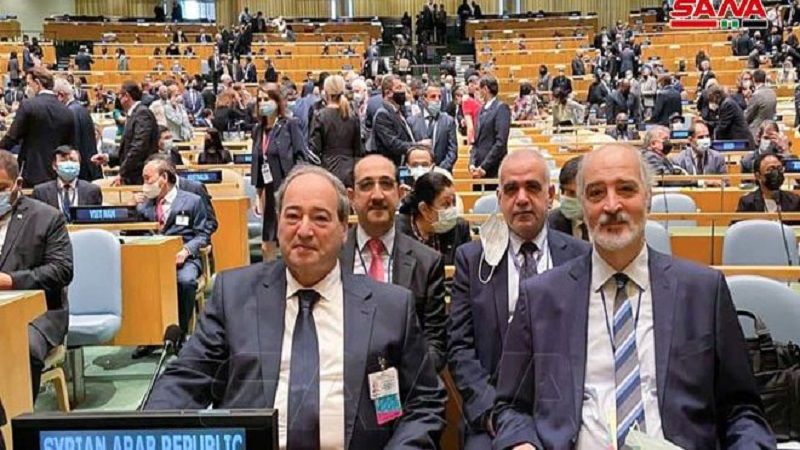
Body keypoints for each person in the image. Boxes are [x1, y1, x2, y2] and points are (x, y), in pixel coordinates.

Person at [491, 144, 775, 450]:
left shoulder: (704, 290)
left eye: (626, 189)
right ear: (582, 205)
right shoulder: (541, 297)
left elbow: (741, 410)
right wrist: (521, 443)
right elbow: (510, 407)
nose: (612, 205)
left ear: (648, 197)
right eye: (596, 193)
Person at [144, 164, 447, 448]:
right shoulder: (234, 295)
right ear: (278, 224)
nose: (304, 230)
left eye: (320, 218)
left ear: (344, 229)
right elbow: (184, 381)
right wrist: (147, 434)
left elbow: (424, 402)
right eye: (292, 216)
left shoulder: (391, 306)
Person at [448, 149, 590, 449]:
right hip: (493, 412)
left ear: (550, 196)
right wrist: (493, 414)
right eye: (511, 189)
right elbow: (460, 348)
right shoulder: (471, 260)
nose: (522, 199)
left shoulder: (581, 256)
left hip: (567, 410)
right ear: (499, 198)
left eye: (533, 188)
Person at [339, 155, 447, 372]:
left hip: (407, 383)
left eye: (386, 184)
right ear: (351, 197)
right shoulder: (332, 257)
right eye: (366, 185)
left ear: (400, 194)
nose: (377, 195)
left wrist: (404, 379)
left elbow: (435, 344)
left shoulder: (427, 262)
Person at [0, 150, 73, 400]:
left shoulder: (47, 217)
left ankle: (20, 415)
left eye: (1, 187)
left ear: (18, 184)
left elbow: (61, 270)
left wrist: (11, 281)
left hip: (39, 314)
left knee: (22, 347)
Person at [134, 156, 210, 355]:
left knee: (185, 281)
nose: (144, 184)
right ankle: (148, 336)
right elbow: (133, 233)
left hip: (184, 258)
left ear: (164, 178)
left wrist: (186, 250)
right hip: (151, 260)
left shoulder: (192, 201)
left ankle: (180, 334)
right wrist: (130, 208)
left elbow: (203, 235)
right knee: (136, 281)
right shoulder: (143, 205)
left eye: (148, 178)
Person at [250, 88, 308, 261]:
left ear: (277, 102)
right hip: (268, 191)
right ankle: (269, 273)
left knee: (288, 237)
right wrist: (257, 195)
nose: (262, 103)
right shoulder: (258, 130)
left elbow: (301, 157)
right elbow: (258, 162)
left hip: (288, 189)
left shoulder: (290, 124)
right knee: (267, 243)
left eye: (266, 99)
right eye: (260, 100)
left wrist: (296, 185)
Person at [0, 67, 75, 187]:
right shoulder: (67, 111)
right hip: (57, 173)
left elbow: (12, 138)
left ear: (38, 83)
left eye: (29, 83)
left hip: (31, 172)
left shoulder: (28, 106)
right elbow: (69, 146)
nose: (28, 87)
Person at [397, 171, 470, 265]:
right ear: (424, 209)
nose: (452, 210)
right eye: (446, 204)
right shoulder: (397, 231)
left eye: (454, 202)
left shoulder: (460, 228)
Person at [309, 75, 363, 186]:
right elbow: (358, 149)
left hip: (327, 170)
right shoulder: (352, 116)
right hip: (350, 170)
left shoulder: (320, 116)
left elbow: (314, 149)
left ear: (326, 92)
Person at [52, 77, 102, 182]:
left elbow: (74, 145)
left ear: (60, 96)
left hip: (81, 171)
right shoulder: (80, 109)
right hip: (89, 167)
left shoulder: (70, 113)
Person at [32, 145, 102, 218]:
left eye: (73, 160)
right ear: (54, 165)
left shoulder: (92, 191)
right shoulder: (41, 192)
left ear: (79, 164)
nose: (69, 163)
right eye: (63, 160)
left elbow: (95, 220)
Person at [407, 82, 458, 172]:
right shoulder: (412, 121)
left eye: (439, 97)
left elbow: (452, 151)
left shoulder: (448, 121)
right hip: (418, 172)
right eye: (433, 97)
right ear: (424, 99)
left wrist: (439, 170)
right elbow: (408, 148)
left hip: (442, 172)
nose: (437, 100)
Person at [469, 76, 510, 182]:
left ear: (485, 89)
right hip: (477, 170)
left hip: (493, 168)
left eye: (479, 89)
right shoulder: (480, 110)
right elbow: (476, 142)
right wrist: (472, 163)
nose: (477, 92)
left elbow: (500, 142)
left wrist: (484, 166)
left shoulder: (501, 108)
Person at [372, 75, 417, 166]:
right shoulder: (382, 114)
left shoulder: (399, 111)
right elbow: (393, 144)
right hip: (391, 166)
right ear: (388, 93)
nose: (403, 91)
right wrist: (417, 146)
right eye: (398, 88)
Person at [547, 156, 588, 241]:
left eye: (580, 193)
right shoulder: (549, 224)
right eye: (571, 193)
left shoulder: (608, 221)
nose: (576, 198)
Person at [707, 84, 755, 148]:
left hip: (742, 143)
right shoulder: (725, 103)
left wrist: (712, 140)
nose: (711, 101)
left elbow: (722, 126)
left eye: (711, 98)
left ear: (717, 95)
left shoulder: (727, 104)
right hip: (738, 141)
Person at [745, 69, 777, 138]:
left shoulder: (756, 95)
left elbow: (747, 116)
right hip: (770, 130)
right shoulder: (772, 92)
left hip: (756, 131)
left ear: (753, 79)